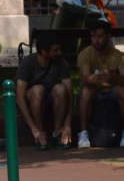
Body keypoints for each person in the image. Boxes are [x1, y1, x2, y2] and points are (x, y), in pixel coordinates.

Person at [16, 31, 74, 149]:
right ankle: (40, 135)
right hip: (32, 101)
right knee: (38, 89)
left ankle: (57, 133)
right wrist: (34, 128)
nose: (59, 52)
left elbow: (70, 94)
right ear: (44, 52)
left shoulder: (61, 61)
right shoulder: (27, 63)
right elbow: (20, 98)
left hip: (50, 101)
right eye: (55, 50)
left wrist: (67, 124)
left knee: (61, 89)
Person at [76, 18, 124, 147]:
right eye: (93, 37)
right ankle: (83, 134)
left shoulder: (118, 56)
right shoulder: (85, 54)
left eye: (100, 37)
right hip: (94, 91)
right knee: (86, 92)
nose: (96, 41)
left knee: (122, 91)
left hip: (111, 92)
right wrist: (90, 80)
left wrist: (113, 77)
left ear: (108, 36)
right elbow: (84, 79)